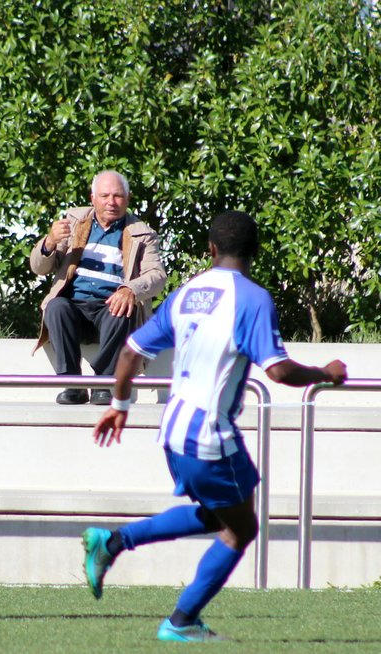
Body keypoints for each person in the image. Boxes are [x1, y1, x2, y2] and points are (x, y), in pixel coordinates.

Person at [82, 211, 347, 642]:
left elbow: (130, 352)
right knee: (242, 528)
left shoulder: (187, 293)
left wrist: (119, 406)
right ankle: (180, 620)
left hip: (174, 432)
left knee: (217, 515)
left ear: (211, 249)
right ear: (255, 251)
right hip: (209, 436)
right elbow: (278, 371)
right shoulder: (253, 299)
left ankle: (111, 543)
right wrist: (325, 373)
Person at [30, 171, 166, 405]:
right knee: (56, 306)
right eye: (104, 196)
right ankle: (73, 385)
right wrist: (49, 242)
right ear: (92, 198)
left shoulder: (142, 233)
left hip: (111, 311)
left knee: (124, 308)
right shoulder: (74, 223)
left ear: (128, 199)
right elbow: (38, 268)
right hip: (74, 308)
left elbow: (157, 275)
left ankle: (104, 383)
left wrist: (131, 289)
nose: (111, 202)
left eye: (118, 196)